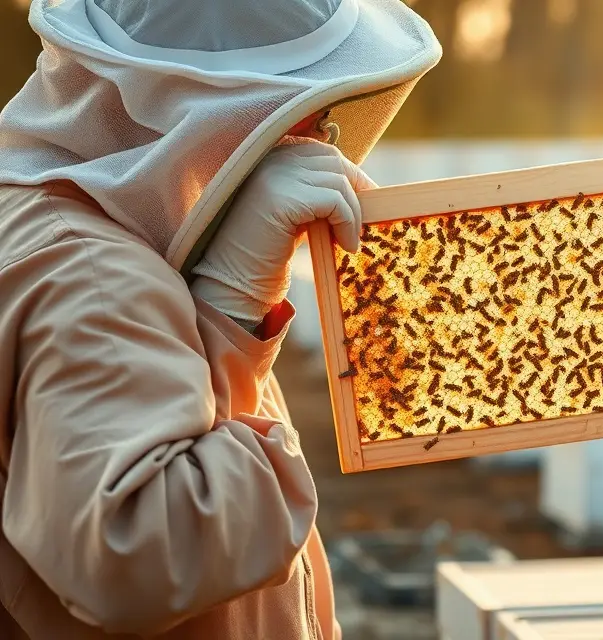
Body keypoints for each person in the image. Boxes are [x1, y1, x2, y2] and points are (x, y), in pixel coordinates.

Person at [0, 0, 440, 637]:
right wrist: (231, 299)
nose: (319, 134)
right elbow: (146, 554)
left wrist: (225, 318)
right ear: (203, 107)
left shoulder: (59, 226)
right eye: (300, 108)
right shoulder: (93, 277)